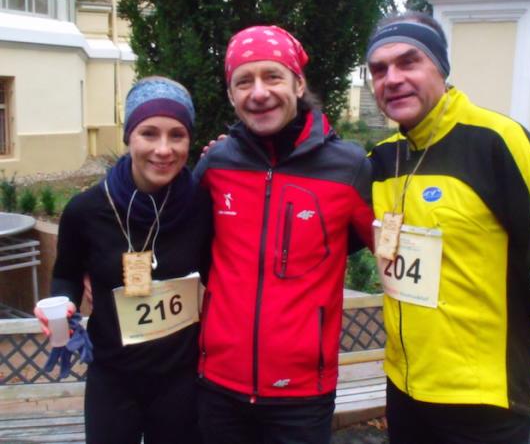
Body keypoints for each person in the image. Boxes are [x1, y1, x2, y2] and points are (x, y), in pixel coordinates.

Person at [366, 12, 530, 444]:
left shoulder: (497, 140)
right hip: (404, 388)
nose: (392, 79)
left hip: (481, 400)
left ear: (441, 67)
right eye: (379, 70)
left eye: (408, 62)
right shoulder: (382, 158)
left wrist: (526, 356)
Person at [193, 25, 374, 444]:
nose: (259, 93)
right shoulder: (216, 164)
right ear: (231, 95)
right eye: (244, 81)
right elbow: (178, 234)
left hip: (302, 394)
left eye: (272, 76)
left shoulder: (347, 167)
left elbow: (384, 245)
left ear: (298, 83)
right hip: (219, 384)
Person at [35, 76, 212, 444]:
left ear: (189, 141)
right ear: (129, 136)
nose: (163, 149)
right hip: (113, 380)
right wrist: (62, 302)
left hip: (182, 380)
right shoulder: (85, 210)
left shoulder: (202, 205)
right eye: (149, 133)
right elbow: (66, 274)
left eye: (177, 135)